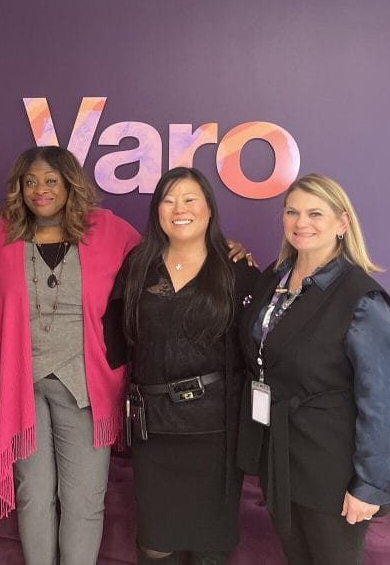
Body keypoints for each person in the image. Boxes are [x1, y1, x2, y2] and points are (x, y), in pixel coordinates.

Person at [0, 145, 140, 564]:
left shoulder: (109, 230)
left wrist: (219, 247)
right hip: (20, 388)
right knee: (33, 495)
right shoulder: (2, 235)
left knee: (83, 500)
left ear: (69, 183)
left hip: (84, 386)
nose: (39, 190)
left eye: (50, 180)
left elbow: (163, 261)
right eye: (30, 182)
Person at [237, 174, 390, 565]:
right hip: (280, 456)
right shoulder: (274, 277)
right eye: (292, 212)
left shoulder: (362, 299)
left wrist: (369, 485)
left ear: (342, 222)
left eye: (315, 213)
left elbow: (378, 401)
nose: (300, 222)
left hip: (331, 466)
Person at [109, 167, 258, 565]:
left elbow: (256, 349)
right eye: (169, 200)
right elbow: (115, 337)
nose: (179, 209)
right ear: (157, 210)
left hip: (217, 431)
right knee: (155, 544)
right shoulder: (138, 265)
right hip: (154, 429)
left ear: (209, 208)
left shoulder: (237, 268)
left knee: (211, 547)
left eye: (190, 199)